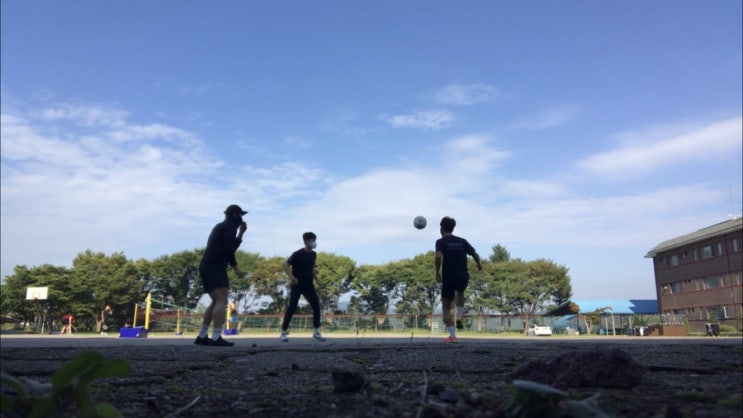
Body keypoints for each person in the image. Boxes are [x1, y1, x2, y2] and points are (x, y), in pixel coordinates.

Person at [195, 204, 248, 347]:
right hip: (215, 266)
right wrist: (235, 267)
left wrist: (241, 233)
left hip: (207, 265)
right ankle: (216, 337)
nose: (242, 218)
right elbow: (229, 249)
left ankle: (202, 336)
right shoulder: (229, 227)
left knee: (215, 301)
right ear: (236, 215)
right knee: (222, 300)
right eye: (241, 215)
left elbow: (230, 247)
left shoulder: (223, 226)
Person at [435, 216, 482, 343]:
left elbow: (438, 256)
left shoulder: (441, 242)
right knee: (460, 292)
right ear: (453, 228)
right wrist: (479, 264)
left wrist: (437, 272)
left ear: (442, 228)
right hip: (463, 276)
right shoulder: (463, 241)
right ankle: (460, 314)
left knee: (445, 308)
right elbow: (475, 254)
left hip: (448, 277)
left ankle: (453, 336)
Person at [279, 232, 325, 342]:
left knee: (316, 306)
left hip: (309, 285)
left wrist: (317, 279)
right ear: (306, 241)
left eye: (315, 240)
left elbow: (312, 269)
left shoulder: (313, 254)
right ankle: (283, 332)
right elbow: (285, 265)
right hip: (297, 285)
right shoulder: (298, 254)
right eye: (312, 240)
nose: (314, 242)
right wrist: (292, 277)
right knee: (292, 307)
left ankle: (316, 332)